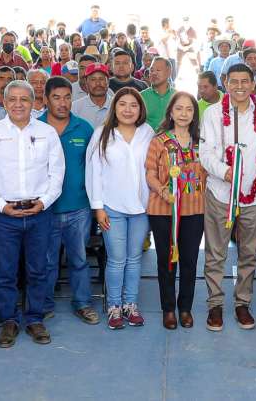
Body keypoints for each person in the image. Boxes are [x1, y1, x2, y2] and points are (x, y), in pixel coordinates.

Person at [0, 80, 65, 348]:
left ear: (35, 101)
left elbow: (56, 173)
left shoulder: (47, 133)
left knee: (38, 269)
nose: (18, 104)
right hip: (4, 214)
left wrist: (44, 202)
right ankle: (9, 321)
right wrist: (1, 205)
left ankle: (35, 318)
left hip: (39, 212)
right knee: (5, 271)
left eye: (24, 99)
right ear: (3, 101)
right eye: (12, 99)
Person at [199, 63, 256, 331]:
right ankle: (215, 304)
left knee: (248, 253)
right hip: (219, 193)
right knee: (215, 253)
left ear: (253, 82)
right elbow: (206, 153)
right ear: (225, 82)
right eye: (234, 81)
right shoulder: (212, 113)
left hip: (254, 196)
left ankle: (242, 303)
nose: (240, 86)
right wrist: (225, 172)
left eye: (245, 81)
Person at [87, 87, 155, 329]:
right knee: (116, 260)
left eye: (133, 105)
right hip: (111, 207)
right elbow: (93, 173)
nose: (128, 109)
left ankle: (130, 304)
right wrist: (98, 208)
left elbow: (154, 168)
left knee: (134, 259)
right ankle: (114, 307)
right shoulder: (102, 134)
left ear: (140, 109)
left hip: (141, 208)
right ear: (114, 108)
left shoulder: (147, 132)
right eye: (122, 104)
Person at [37, 76, 98, 324]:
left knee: (80, 259)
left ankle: (82, 303)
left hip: (79, 208)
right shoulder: (35, 128)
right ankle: (44, 304)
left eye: (67, 97)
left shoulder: (84, 128)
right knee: (47, 260)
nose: (62, 103)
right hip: (45, 208)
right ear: (45, 100)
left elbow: (94, 168)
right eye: (56, 97)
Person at [145, 91, 206, 329]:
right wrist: (162, 191)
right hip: (163, 210)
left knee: (190, 261)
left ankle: (185, 308)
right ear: (171, 112)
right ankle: (168, 309)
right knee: (166, 261)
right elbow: (150, 172)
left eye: (189, 109)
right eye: (179, 109)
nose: (183, 114)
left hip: (194, 209)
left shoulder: (201, 143)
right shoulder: (158, 141)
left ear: (194, 114)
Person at [70, 62, 113, 128]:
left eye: (101, 79)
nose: (98, 83)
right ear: (86, 83)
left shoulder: (116, 105)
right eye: (93, 79)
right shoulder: (75, 108)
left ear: (108, 82)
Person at [141, 57, 176, 130]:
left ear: (169, 72)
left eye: (158, 70)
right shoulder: (141, 96)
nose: (154, 73)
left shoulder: (177, 96)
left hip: (172, 140)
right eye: (151, 70)